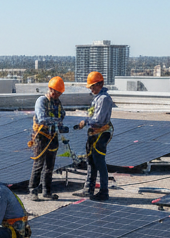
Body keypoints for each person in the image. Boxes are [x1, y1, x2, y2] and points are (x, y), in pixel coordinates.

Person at [73, 71, 114, 201]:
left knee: (99, 163)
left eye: (93, 86)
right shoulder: (97, 98)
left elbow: (99, 120)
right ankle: (88, 189)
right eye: (90, 87)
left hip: (101, 134)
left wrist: (85, 122)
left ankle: (103, 191)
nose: (91, 89)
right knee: (91, 162)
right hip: (94, 134)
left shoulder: (104, 99)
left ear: (100, 84)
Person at [28, 77, 70, 201]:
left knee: (50, 166)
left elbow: (60, 117)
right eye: (55, 92)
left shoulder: (58, 103)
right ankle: (33, 190)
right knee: (38, 164)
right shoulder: (41, 101)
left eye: (59, 93)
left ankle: (47, 191)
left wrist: (62, 128)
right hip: (41, 137)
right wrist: (57, 123)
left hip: (53, 137)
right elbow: (42, 119)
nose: (57, 95)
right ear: (50, 89)